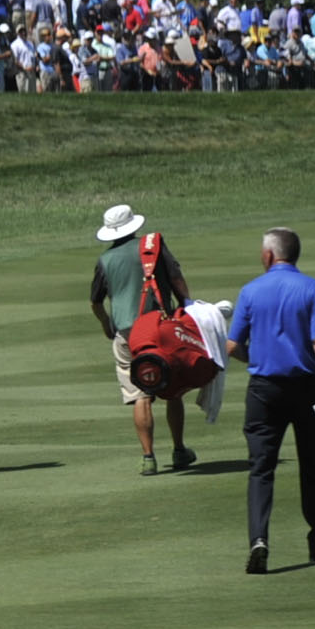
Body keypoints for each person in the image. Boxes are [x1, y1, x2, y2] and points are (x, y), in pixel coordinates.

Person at [227, 229, 315, 573]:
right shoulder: (312, 287)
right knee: (314, 465)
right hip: (308, 387)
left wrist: (255, 354)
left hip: (263, 390)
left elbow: (232, 347)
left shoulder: (250, 290)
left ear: (268, 256)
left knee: (261, 469)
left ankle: (259, 540)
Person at [90, 203, 197, 474]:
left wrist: (106, 324)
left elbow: (95, 301)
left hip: (126, 333)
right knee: (173, 389)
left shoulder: (105, 260)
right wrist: (189, 307)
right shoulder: (153, 246)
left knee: (140, 394)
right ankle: (179, 449)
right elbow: (176, 278)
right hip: (161, 326)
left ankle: (148, 457)